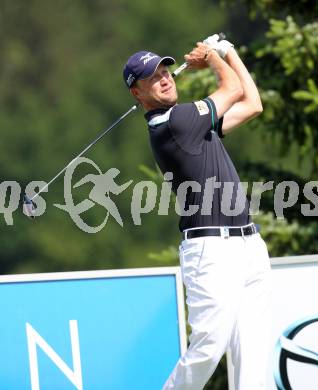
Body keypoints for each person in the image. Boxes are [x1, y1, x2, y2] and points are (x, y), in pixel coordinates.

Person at [123, 36, 272, 390]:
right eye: (152, 77)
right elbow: (232, 87)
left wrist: (229, 51)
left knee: (253, 352)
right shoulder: (172, 123)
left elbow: (252, 104)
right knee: (210, 346)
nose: (165, 78)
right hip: (211, 251)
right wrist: (214, 57)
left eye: (166, 70)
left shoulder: (193, 122)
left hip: (249, 245)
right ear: (137, 94)